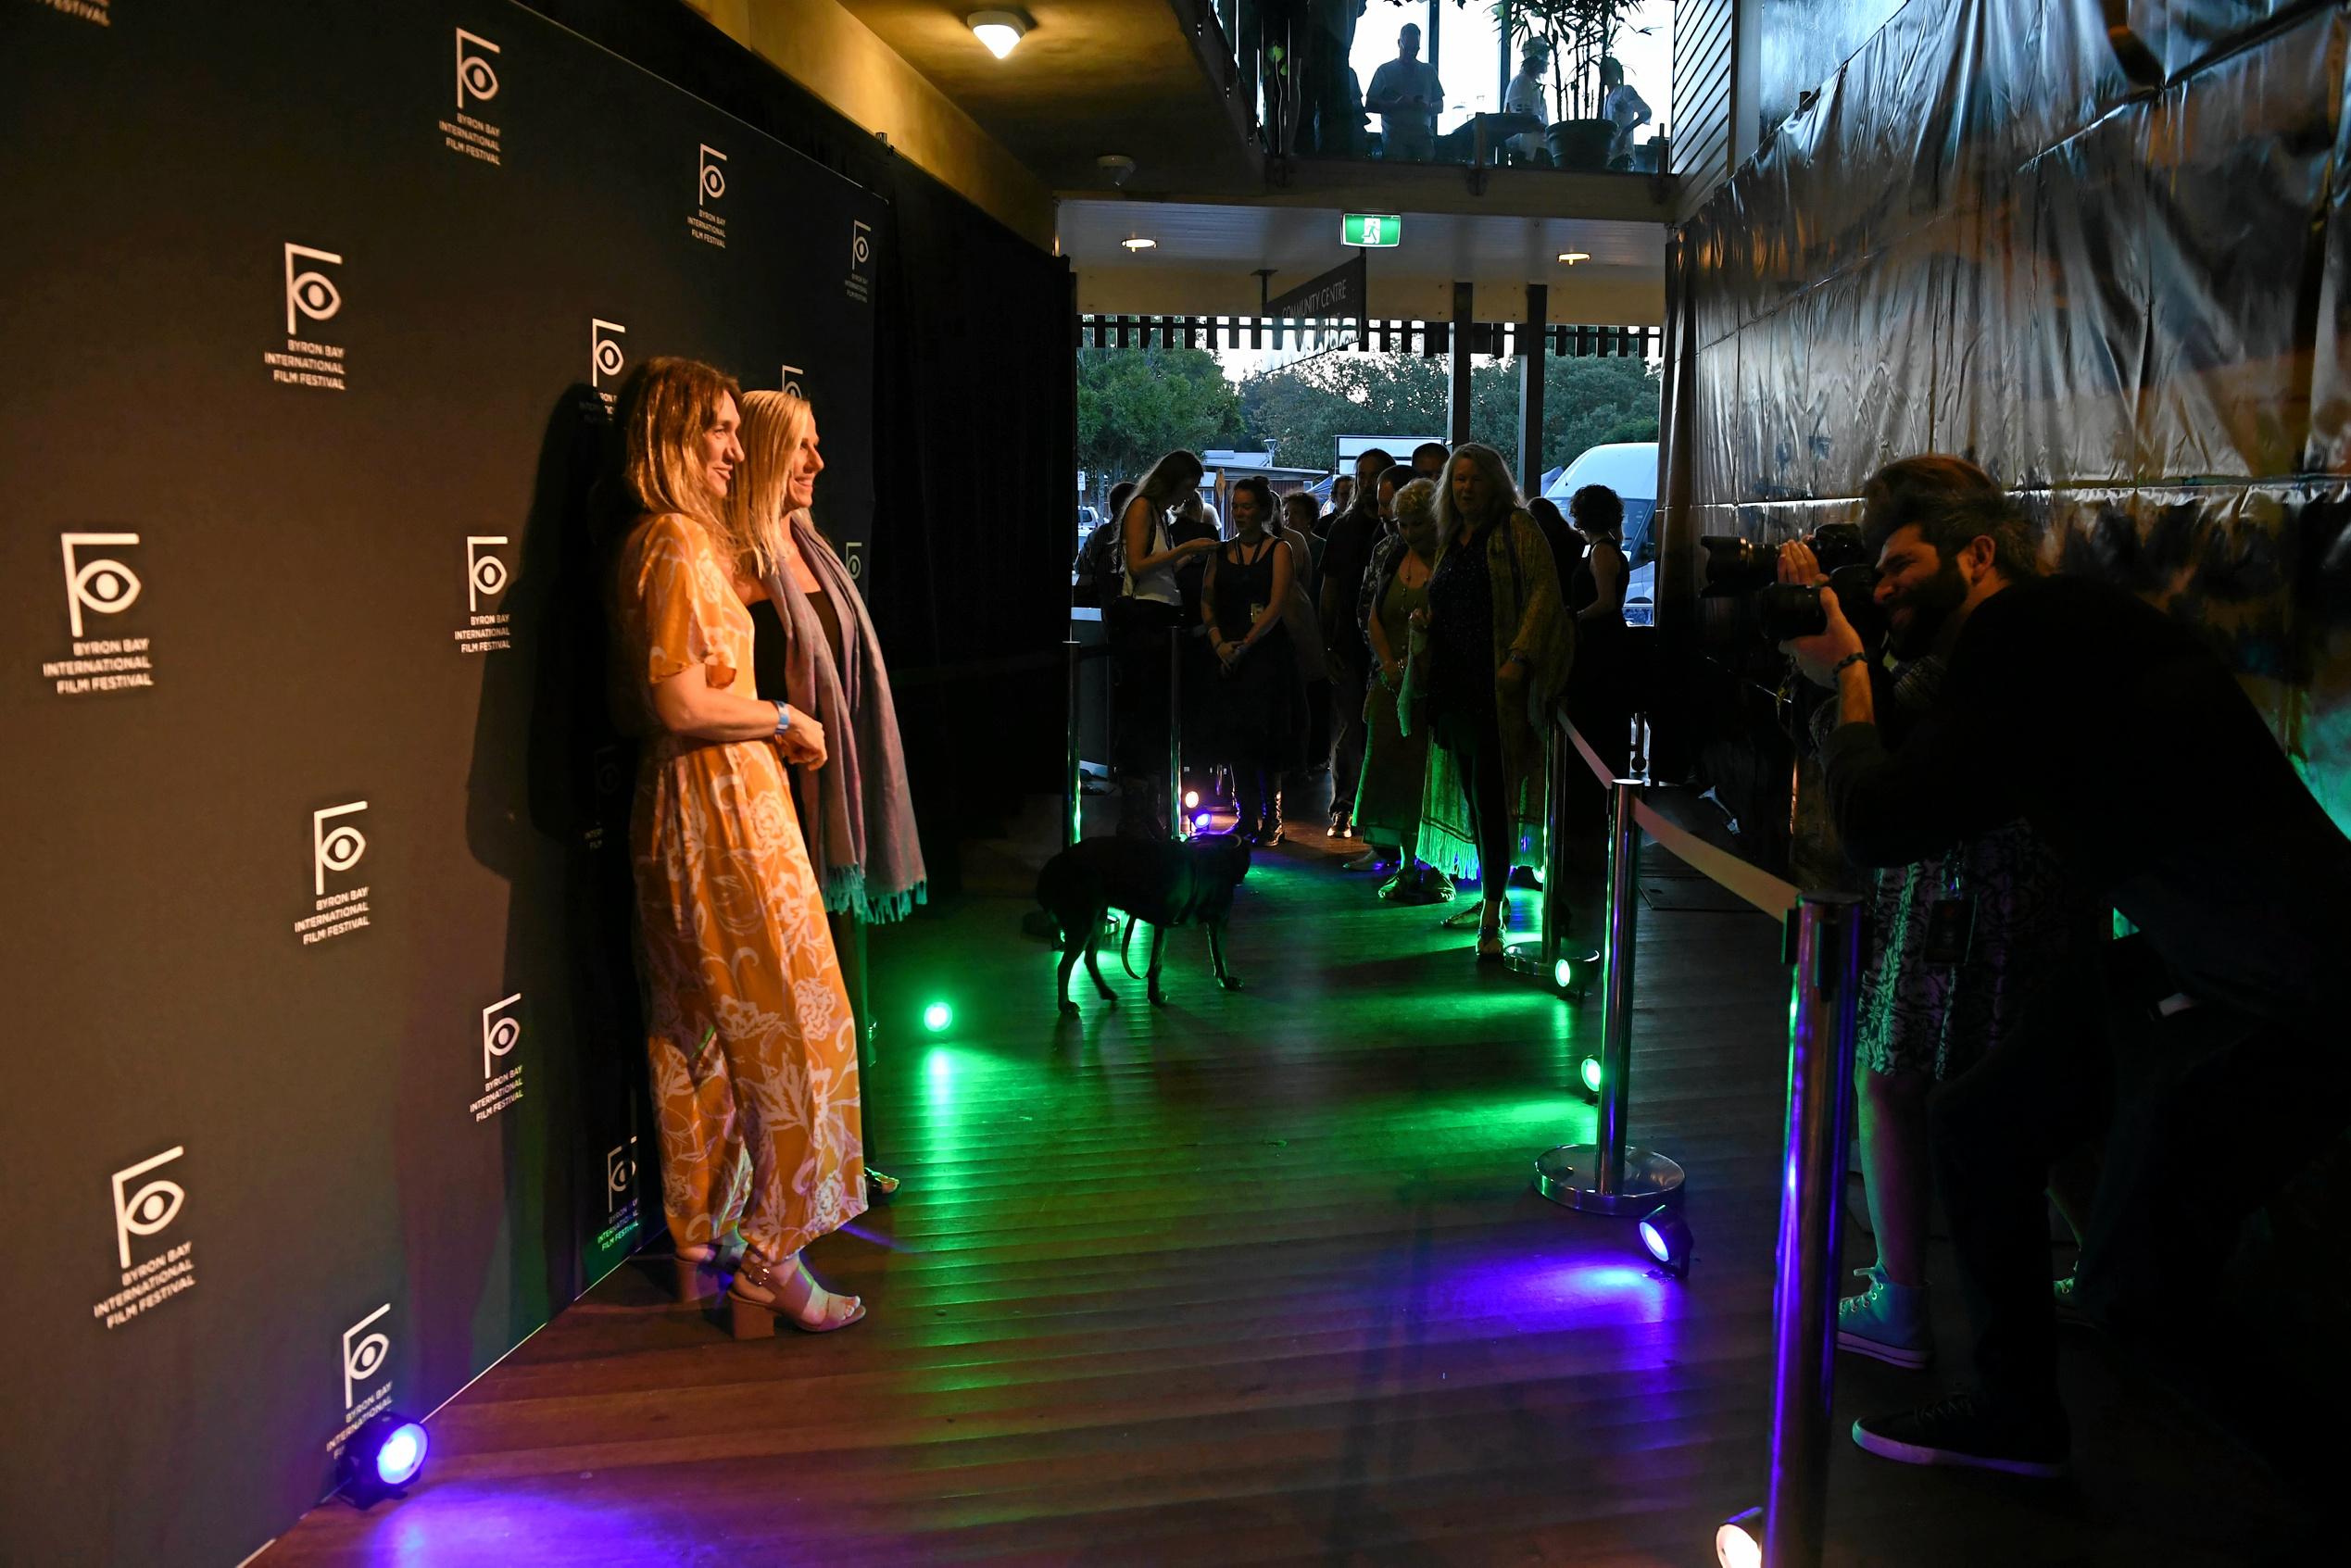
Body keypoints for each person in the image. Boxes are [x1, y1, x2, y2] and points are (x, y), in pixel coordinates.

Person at [1784, 464, 2351, 1486]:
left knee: (2144, 1292)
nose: (1882, 588)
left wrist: (1851, 684)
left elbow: (1882, 824)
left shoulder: (2024, 635)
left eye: (1901, 564)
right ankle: (2017, 1408)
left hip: (2290, 982)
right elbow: (1940, 777)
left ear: (1978, 554)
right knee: (1984, 1119)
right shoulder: (2051, 636)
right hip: (2215, 955)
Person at [607, 357, 866, 1334]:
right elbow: (678, 698)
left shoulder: (663, 542)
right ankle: (772, 1259)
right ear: (668, 434)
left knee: (697, 1045)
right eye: (715, 427)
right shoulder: (672, 541)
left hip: (689, 807)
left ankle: (698, 1245)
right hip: (722, 812)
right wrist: (779, 717)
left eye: (733, 428)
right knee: (801, 1028)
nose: (731, 445)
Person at [735, 390, 926, 1207]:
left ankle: (853, 1158)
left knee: (847, 990)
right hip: (780, 809)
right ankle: (796, 1180)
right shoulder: (734, 560)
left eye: (818, 445)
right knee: (789, 1007)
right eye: (801, 447)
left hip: (837, 810)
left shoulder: (811, 547)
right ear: (762, 452)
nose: (818, 463)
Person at [1408, 444, 1572, 959]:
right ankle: (1491, 899)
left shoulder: (1516, 529)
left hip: (1496, 685)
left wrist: (1520, 657)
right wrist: (1425, 624)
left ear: (1494, 483)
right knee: (1479, 800)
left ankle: (1493, 907)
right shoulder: (1452, 537)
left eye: (1475, 479)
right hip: (1454, 682)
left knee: (1491, 797)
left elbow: (1545, 595)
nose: (1465, 488)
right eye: (1457, 480)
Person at [1352, 478, 1451, 903]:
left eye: (1416, 525)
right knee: (1393, 775)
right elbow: (1372, 613)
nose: (1408, 533)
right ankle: (1409, 864)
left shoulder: (1450, 560)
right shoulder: (1390, 553)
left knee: (1429, 778)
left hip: (1434, 689)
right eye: (1403, 524)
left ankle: (1434, 866)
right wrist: (1390, 665)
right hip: (1391, 685)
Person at [1112, 452, 1219, 838]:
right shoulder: (1142, 508)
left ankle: (1147, 810)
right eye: (1188, 486)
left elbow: (1154, 568)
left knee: (1155, 717)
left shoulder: (1156, 513)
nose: (1187, 496)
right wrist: (1184, 551)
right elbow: (1138, 565)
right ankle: (1138, 812)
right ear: (1173, 480)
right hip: (1145, 619)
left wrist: (1183, 559)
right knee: (1144, 715)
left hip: (1159, 615)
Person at [1201, 477, 1304, 842]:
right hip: (1229, 652)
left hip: (1266, 657)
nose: (1240, 513)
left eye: (1247, 506)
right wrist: (1218, 642)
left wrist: (1244, 644)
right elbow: (1207, 599)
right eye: (1235, 506)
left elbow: (1277, 604)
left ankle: (1272, 818)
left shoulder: (1279, 550)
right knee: (1236, 739)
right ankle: (1246, 816)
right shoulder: (1220, 552)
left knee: (1268, 739)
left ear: (1263, 510)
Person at [1318, 447, 1393, 838]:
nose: (1366, 483)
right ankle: (1344, 805)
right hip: (1348, 642)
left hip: (1388, 648)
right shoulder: (1343, 529)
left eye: (1374, 475)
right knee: (1348, 726)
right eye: (1361, 475)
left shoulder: (1396, 530)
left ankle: (1376, 808)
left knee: (1378, 727)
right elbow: (1329, 588)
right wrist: (1326, 642)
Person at [1279, 490, 1334, 830]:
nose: (1289, 518)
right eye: (1286, 512)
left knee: (1304, 697)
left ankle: (1305, 759)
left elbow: (1310, 584)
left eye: (1295, 513)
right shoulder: (1290, 543)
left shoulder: (1306, 545)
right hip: (1295, 626)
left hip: (1302, 626)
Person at [1365, 22, 1443, 161]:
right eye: (1408, 48)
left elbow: (1440, 105)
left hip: (1422, 141)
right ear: (1398, 43)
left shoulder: (1429, 71)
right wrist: (1396, 105)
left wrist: (1427, 107)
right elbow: (1369, 105)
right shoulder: (1384, 71)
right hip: (1395, 141)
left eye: (1415, 48)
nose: (1411, 52)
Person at [1503, 35, 1551, 164]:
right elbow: (1525, 120)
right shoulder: (1522, 82)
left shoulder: (1531, 84)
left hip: (1536, 150)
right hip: (1529, 153)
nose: (1548, 60)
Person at [1600, 56, 1651, 169]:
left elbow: (1646, 112)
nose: (1606, 74)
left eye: (1609, 70)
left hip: (1622, 155)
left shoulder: (1625, 91)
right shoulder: (1603, 101)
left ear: (1617, 73)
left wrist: (1625, 132)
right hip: (1607, 158)